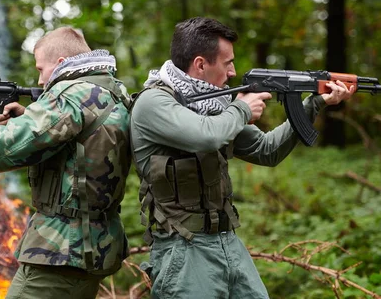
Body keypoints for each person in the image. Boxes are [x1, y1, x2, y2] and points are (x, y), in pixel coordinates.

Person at [129, 17, 354, 299]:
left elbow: (266, 150)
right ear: (200, 64)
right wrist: (242, 110)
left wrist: (315, 102)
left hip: (226, 242)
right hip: (183, 249)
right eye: (227, 63)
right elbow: (207, 136)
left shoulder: (213, 105)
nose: (234, 72)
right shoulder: (154, 103)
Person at [0, 27, 132, 299]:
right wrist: (28, 117)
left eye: (40, 69)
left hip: (63, 250)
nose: (41, 80)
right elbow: (76, 144)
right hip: (90, 245)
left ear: (59, 64)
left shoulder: (72, 94)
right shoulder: (106, 89)